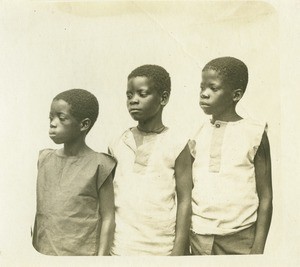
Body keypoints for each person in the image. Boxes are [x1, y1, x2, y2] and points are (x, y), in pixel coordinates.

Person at [190, 57, 273, 255]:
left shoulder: (255, 133)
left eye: (213, 88)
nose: (204, 94)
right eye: (202, 87)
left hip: (241, 238)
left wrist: (258, 249)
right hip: (199, 237)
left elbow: (266, 196)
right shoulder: (196, 134)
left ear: (236, 95)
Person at [109, 65, 193, 255]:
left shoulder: (178, 144)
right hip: (120, 248)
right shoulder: (117, 143)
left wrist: (178, 250)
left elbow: (185, 200)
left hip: (161, 249)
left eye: (142, 94)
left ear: (163, 98)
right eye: (129, 95)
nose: (133, 101)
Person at [32, 89, 116, 256]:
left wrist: (101, 260)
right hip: (44, 255)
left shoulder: (100, 164)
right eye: (51, 117)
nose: (53, 123)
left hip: (82, 258)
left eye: (61, 118)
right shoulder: (44, 159)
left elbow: (108, 217)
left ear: (83, 124)